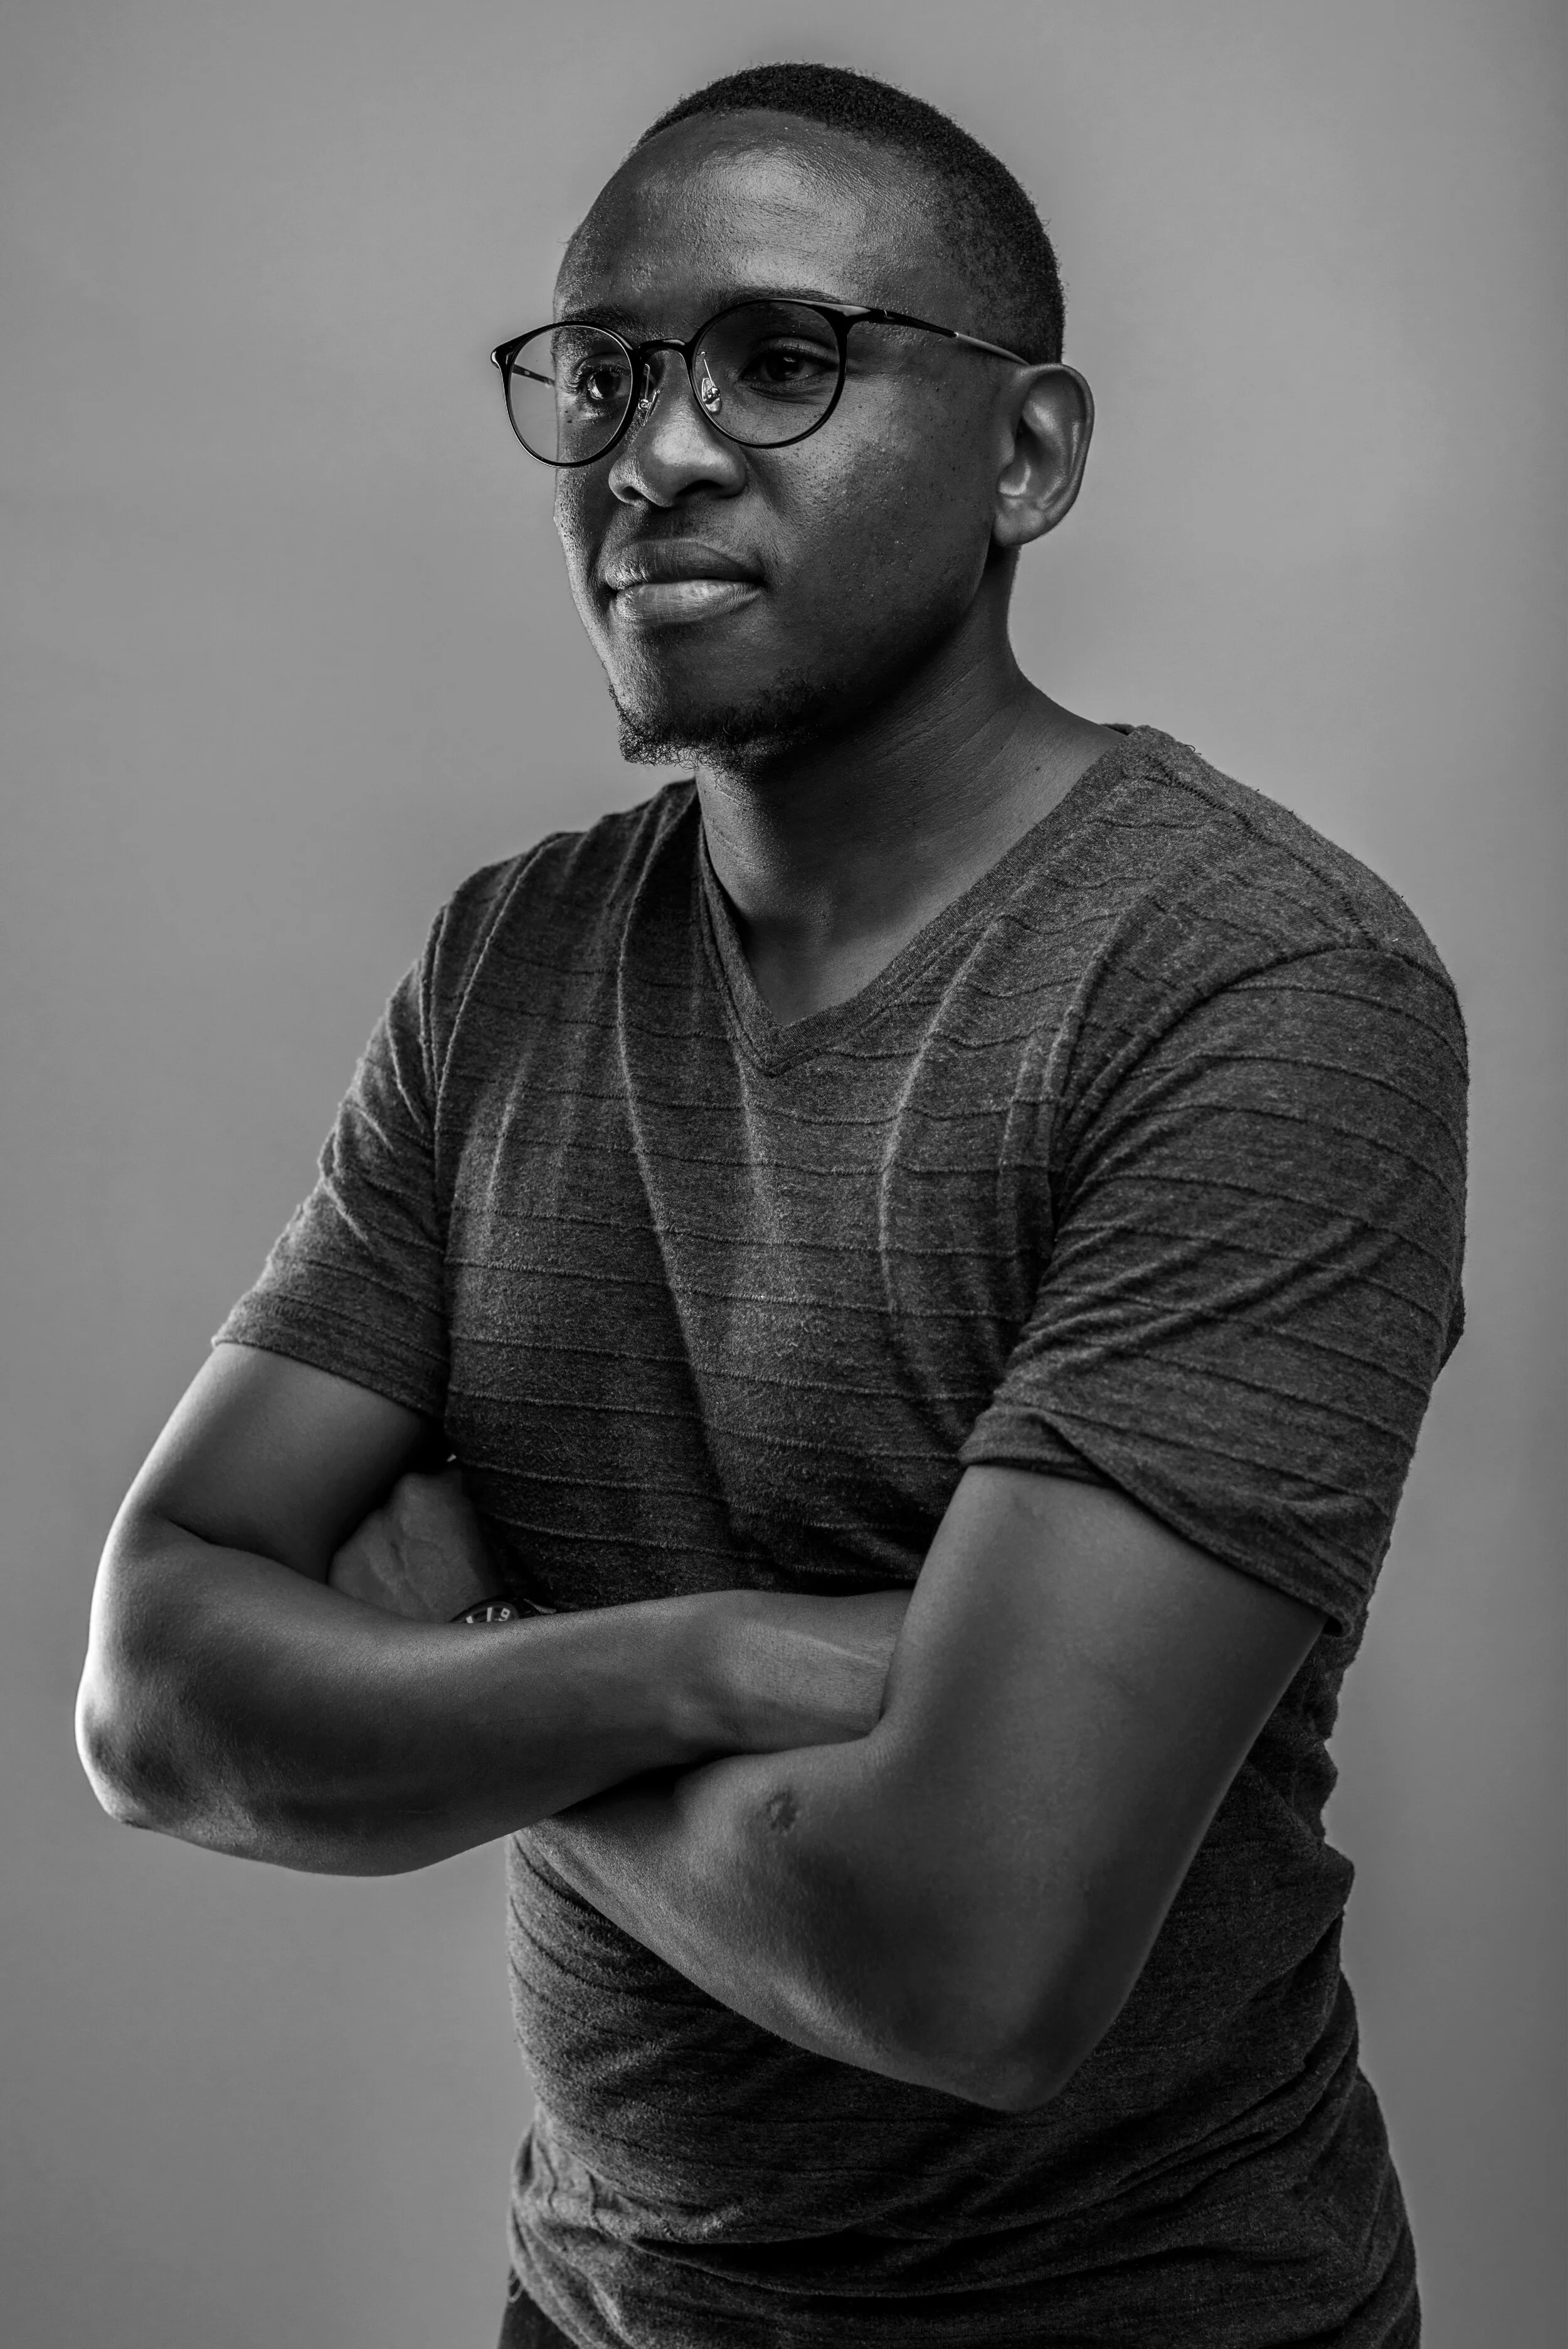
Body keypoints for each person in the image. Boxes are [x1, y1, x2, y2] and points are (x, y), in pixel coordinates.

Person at [75, 60, 1466, 2349]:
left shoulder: (1252, 988)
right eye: (603, 370)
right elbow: (154, 1703)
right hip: (593, 2307)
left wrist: (454, 1666)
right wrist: (711, 1656)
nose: (654, 451)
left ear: (1027, 455)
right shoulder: (510, 962)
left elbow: (968, 1955)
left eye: (779, 358)